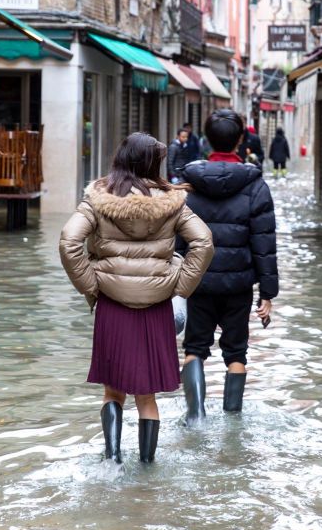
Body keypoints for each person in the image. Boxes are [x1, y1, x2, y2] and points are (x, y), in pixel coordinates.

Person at [59, 133, 214, 463]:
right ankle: (147, 469)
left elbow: (69, 242)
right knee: (147, 394)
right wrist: (179, 285)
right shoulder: (171, 202)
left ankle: (112, 460)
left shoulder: (98, 198)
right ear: (151, 163)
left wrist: (93, 284)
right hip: (156, 306)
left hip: (112, 305)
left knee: (112, 390)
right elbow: (203, 243)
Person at [179, 109, 278, 423]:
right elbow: (264, 243)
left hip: (198, 283)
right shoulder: (255, 186)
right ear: (241, 140)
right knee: (236, 353)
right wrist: (268, 293)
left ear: (207, 140)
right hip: (238, 286)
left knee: (194, 348)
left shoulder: (188, 185)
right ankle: (232, 421)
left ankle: (195, 416)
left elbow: (177, 242)